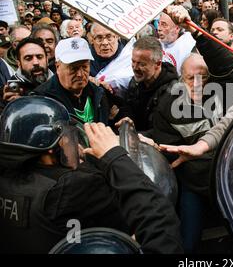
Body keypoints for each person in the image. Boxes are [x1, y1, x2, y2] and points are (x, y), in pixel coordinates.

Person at [0, 96, 183, 253]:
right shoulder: (72, 187)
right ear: (49, 148)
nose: (74, 143)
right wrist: (113, 155)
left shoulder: (7, 178)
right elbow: (158, 215)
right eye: (67, 137)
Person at [33, 37, 113, 125]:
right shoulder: (41, 101)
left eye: (84, 67)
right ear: (58, 67)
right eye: (73, 68)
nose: (80, 74)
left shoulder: (98, 92)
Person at [115, 36, 178, 133]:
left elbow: (164, 132)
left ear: (157, 64)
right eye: (133, 61)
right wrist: (127, 119)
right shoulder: (135, 82)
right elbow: (127, 107)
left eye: (141, 64)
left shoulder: (173, 93)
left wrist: (136, 137)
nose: (135, 68)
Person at [1, 37, 53, 111]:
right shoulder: (11, 90)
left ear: (47, 60)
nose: (36, 63)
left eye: (39, 57)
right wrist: (10, 107)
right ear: (19, 63)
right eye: (28, 58)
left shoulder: (60, 82)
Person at [89, 23, 134, 98]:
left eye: (109, 37)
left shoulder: (129, 57)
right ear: (92, 40)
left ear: (117, 36)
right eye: (99, 38)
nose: (105, 43)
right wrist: (89, 82)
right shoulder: (85, 60)